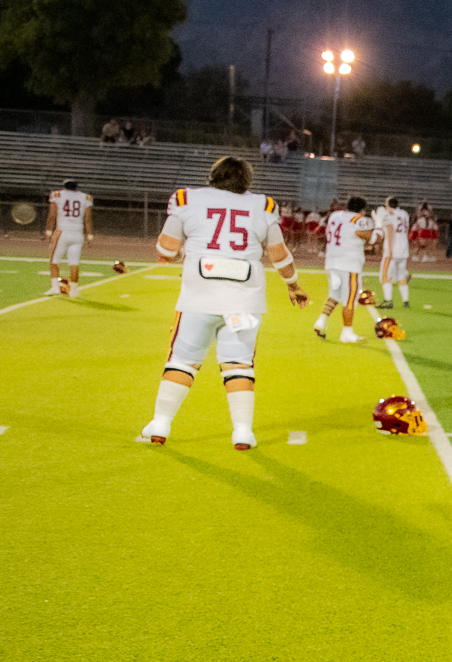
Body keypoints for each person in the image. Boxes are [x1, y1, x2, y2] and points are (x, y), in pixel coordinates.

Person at [139, 156, 307, 450]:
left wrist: (183, 253)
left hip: (199, 296)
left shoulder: (186, 198)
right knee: (239, 363)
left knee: (182, 360)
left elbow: (166, 248)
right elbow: (279, 254)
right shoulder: (264, 205)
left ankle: (161, 424)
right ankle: (242, 432)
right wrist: (293, 285)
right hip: (245, 299)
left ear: (213, 176)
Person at [316, 196, 375, 343]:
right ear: (362, 210)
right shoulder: (360, 220)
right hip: (349, 264)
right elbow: (368, 238)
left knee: (335, 294)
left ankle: (321, 321)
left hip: (332, 262)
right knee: (350, 299)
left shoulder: (335, 215)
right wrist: (378, 227)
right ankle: (347, 332)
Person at [44, 178, 93, 295]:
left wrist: (49, 230)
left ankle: (55, 287)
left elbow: (52, 214)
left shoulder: (57, 195)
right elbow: (87, 218)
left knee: (54, 260)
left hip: (62, 232)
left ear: (64, 186)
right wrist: (89, 234)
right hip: (78, 233)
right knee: (74, 262)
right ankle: (74, 290)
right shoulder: (85, 197)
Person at [377, 196, 413, 307]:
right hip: (403, 249)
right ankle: (405, 301)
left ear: (388, 204)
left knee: (386, 275)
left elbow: (390, 230)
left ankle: (388, 301)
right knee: (401, 276)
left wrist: (390, 249)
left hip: (392, 249)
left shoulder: (389, 213)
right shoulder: (405, 214)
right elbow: (406, 230)